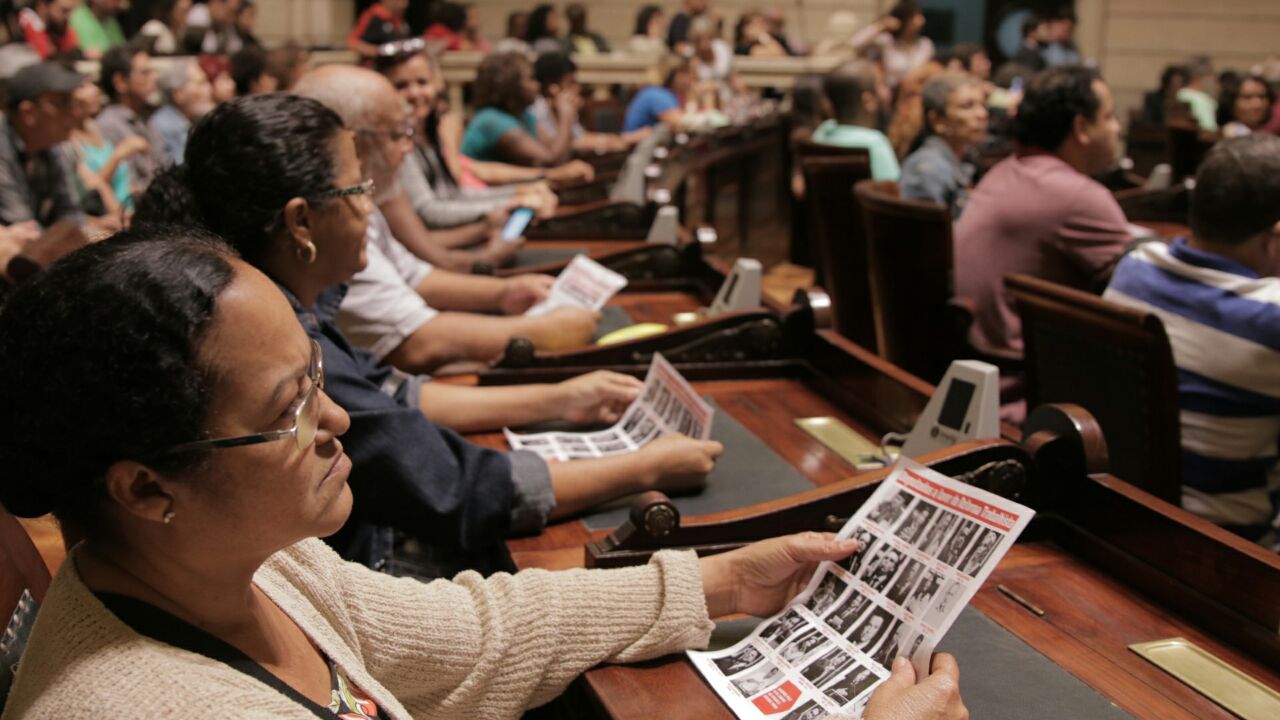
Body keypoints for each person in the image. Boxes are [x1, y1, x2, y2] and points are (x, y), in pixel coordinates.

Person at [0, 230, 967, 720]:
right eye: (288, 410)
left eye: (317, 377)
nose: (336, 417)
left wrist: (721, 580)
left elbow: (467, 634)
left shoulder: (240, 561)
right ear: (144, 488)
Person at [133, 93, 723, 578]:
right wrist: (645, 467)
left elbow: (389, 394)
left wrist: (564, 397)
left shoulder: (293, 300)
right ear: (301, 221)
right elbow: (458, 490)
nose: (371, 209)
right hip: (370, 568)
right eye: (356, 190)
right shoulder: (270, 338)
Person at [291, 66, 599, 369]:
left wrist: (506, 293)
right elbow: (418, 344)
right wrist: (543, 331)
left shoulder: (361, 197)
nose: (407, 146)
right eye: (399, 134)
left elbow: (413, 275)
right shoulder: (331, 219)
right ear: (354, 144)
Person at [1104, 135, 1280, 545]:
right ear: (1272, 236)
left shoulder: (1134, 267)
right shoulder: (1269, 317)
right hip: (1237, 549)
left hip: (1127, 519)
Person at [955, 66, 1127, 362]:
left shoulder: (1004, 170)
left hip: (973, 366)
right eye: (1109, 116)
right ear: (1081, 127)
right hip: (1027, 386)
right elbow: (1142, 288)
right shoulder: (1078, 196)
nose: (1117, 128)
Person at [377, 45, 557, 231]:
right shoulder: (393, 139)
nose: (415, 93)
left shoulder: (426, 131)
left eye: (422, 83)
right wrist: (513, 202)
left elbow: (451, 194)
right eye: (401, 86)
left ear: (436, 84)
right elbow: (427, 211)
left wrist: (519, 193)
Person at [0, 61, 84, 228]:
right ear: (28, 113)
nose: (74, 112)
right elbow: (23, 227)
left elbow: (71, 215)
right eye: (63, 103)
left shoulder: (50, 145)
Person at [462, 51, 577, 166]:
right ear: (510, 83)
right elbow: (550, 160)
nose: (537, 85)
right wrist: (565, 116)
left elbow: (559, 152)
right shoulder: (492, 120)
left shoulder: (525, 116)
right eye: (530, 79)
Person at [900, 72, 986, 216]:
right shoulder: (927, 170)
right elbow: (929, 235)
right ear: (938, 121)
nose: (982, 114)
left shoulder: (967, 158)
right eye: (967, 106)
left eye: (983, 104)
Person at [532, 52, 641, 155]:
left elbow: (580, 137)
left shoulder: (565, 107)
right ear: (553, 89)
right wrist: (566, 115)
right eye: (571, 83)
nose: (578, 88)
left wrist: (612, 140)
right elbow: (557, 149)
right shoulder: (537, 111)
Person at [811, 60, 900, 181]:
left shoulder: (823, 130)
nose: (887, 91)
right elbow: (890, 191)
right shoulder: (875, 143)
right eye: (881, 84)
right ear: (868, 101)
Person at [95, 46, 168, 191]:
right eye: (144, 73)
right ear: (120, 82)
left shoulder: (144, 118)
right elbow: (126, 186)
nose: (154, 78)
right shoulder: (108, 125)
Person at [67, 77, 141, 217]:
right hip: (108, 216)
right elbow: (93, 186)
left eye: (92, 84)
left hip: (129, 210)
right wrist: (118, 155)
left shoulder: (95, 126)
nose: (95, 90)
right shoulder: (68, 140)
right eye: (83, 86)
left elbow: (124, 179)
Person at [850, 0, 935, 90]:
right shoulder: (887, 42)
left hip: (915, 94)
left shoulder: (925, 45)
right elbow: (856, 43)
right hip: (890, 94)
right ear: (905, 19)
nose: (921, 20)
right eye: (916, 16)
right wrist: (881, 26)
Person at [148, 57, 215, 164]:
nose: (209, 88)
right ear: (178, 95)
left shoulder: (194, 121)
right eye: (200, 83)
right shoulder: (164, 126)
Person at [623, 56, 694, 133]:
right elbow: (680, 123)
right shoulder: (656, 93)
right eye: (685, 73)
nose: (691, 78)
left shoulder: (671, 94)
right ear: (671, 75)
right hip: (638, 143)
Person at [1178, 57, 1219, 132]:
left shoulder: (1178, 95)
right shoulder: (1202, 100)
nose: (1213, 80)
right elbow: (1209, 129)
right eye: (1211, 75)